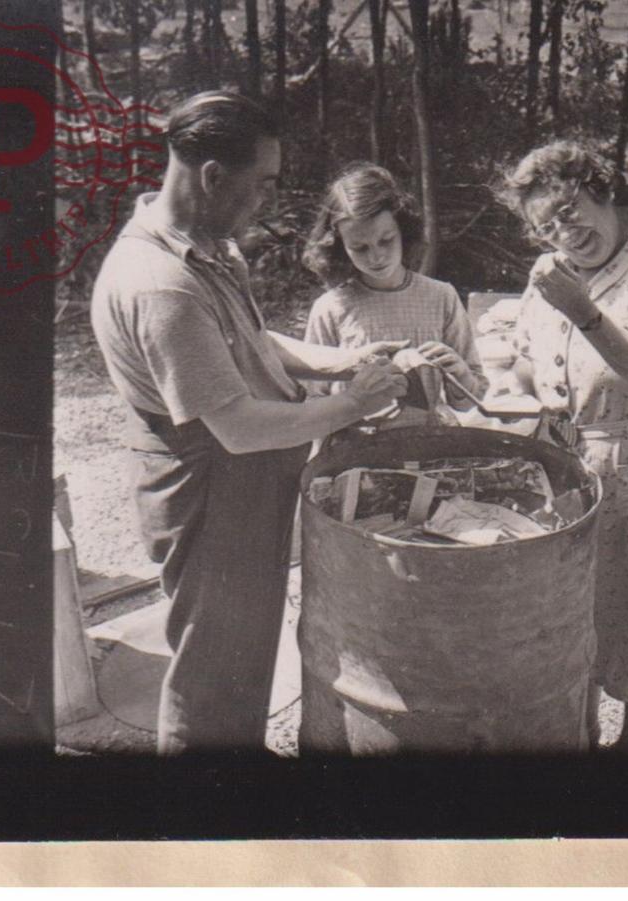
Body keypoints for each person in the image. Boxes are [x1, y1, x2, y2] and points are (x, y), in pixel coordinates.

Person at [90, 91, 407, 755]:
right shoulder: (160, 283)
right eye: (261, 184)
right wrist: (354, 403)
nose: (266, 200)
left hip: (246, 488)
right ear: (211, 177)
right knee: (211, 677)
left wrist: (346, 361)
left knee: (242, 659)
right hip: (212, 496)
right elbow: (236, 425)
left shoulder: (204, 246)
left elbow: (258, 344)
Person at [497, 140, 628, 753]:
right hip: (575, 462)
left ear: (600, 190)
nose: (566, 233)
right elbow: (530, 370)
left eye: (571, 211)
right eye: (547, 227)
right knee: (579, 604)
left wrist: (585, 313)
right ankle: (583, 735)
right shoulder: (551, 278)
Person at [302, 162, 486, 426]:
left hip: (432, 443)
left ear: (404, 230)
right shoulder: (331, 308)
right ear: (340, 247)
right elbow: (313, 401)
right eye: (360, 248)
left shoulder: (441, 296)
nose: (376, 256)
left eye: (386, 240)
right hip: (359, 447)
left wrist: (460, 374)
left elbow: (471, 402)